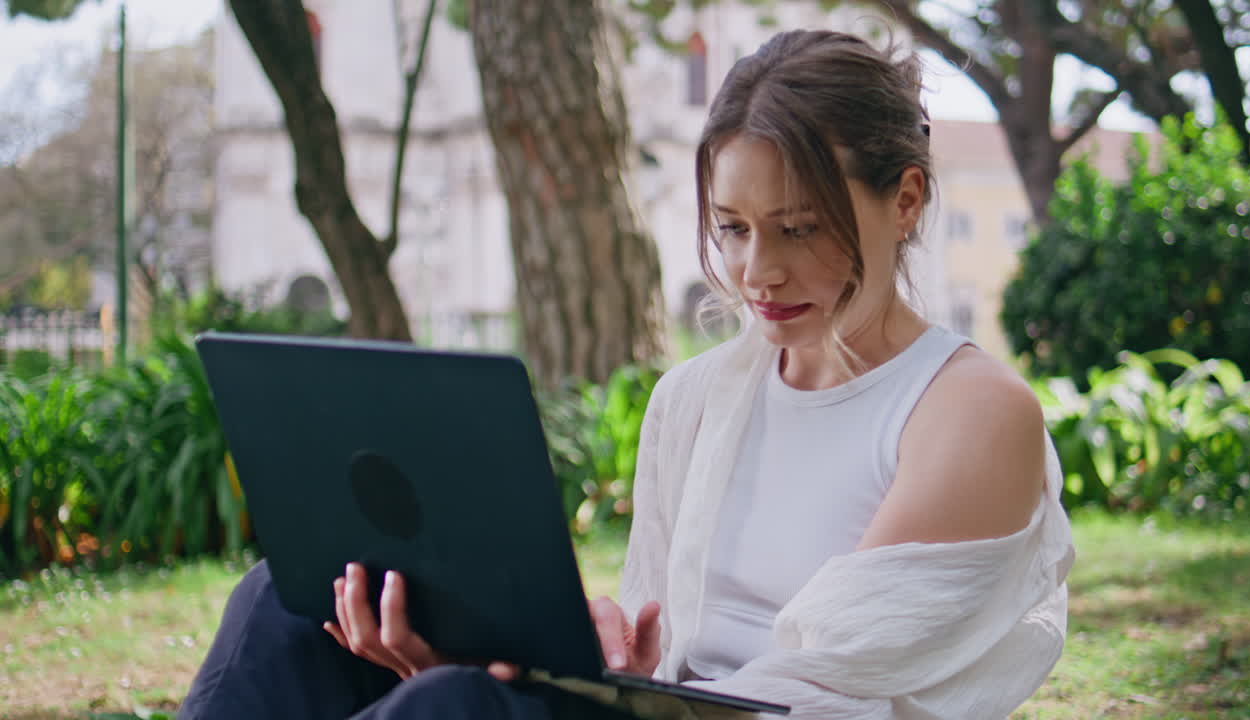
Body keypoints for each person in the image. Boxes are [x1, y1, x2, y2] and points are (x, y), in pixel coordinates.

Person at [179, 28, 1074, 720]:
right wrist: (576, 662)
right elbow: (667, 655)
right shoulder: (696, 401)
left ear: (906, 198)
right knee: (285, 605)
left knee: (454, 709)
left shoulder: (966, 411)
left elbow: (832, 682)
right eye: (732, 226)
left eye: (798, 227)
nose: (757, 270)